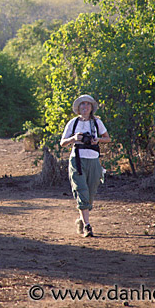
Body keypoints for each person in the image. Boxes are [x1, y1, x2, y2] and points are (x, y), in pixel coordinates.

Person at [60, 95, 111, 237]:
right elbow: (62, 142)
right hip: (77, 160)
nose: (85, 107)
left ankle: (82, 220)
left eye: (88, 105)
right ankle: (88, 226)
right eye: (82, 105)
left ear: (91, 108)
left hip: (94, 160)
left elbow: (108, 138)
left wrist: (98, 140)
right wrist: (74, 138)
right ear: (78, 108)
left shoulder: (97, 122)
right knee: (81, 189)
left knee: (90, 192)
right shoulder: (73, 123)